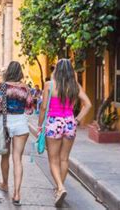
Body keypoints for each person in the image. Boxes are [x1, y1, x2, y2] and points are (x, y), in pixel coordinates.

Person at [38, 59, 92, 207]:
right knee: (64, 159)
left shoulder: (49, 85)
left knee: (53, 159)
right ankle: (58, 189)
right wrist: (77, 120)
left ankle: (60, 188)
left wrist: (39, 125)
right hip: (69, 122)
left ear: (57, 70)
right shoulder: (75, 86)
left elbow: (43, 107)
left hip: (53, 122)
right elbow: (88, 104)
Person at [0, 61, 33, 206]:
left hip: (6, 122)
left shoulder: (3, 87)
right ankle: (17, 194)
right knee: (18, 159)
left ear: (9, 72)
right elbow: (29, 109)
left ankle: (4, 184)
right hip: (21, 123)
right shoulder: (26, 88)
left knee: (5, 155)